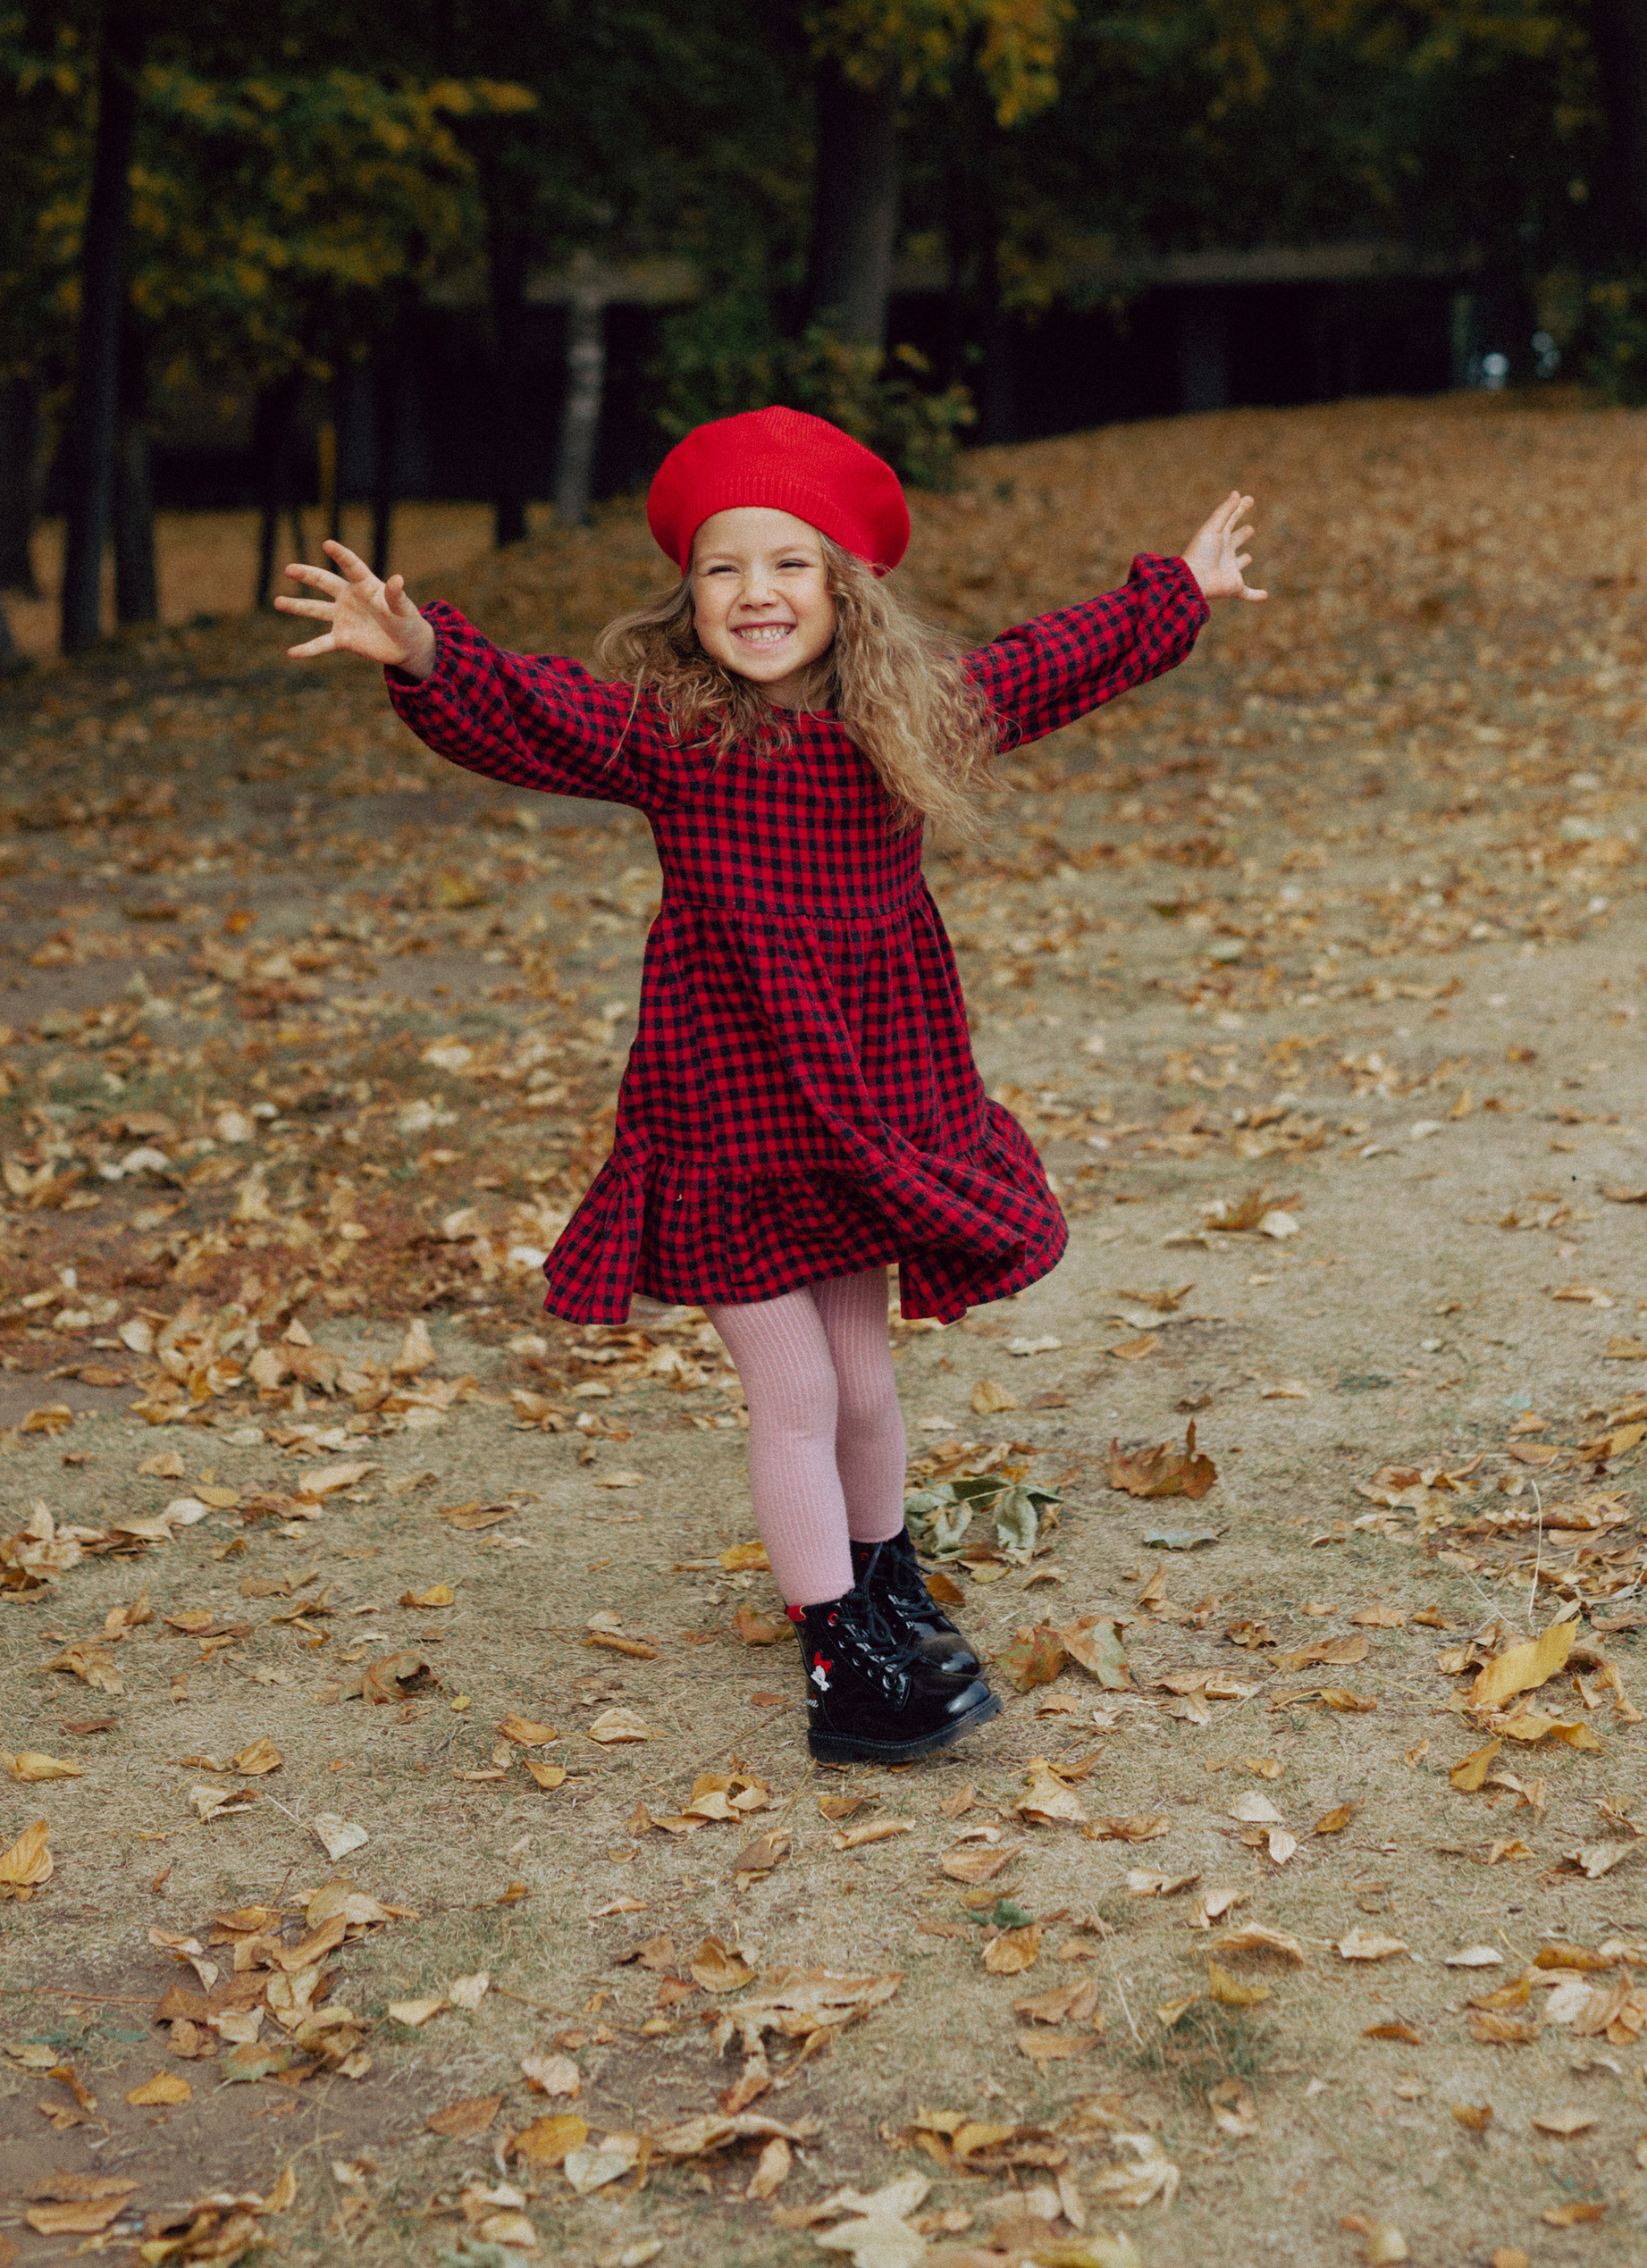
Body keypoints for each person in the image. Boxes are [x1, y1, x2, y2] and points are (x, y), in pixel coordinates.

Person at [276, 406, 1264, 1764]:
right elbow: (527, 710)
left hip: (870, 1101)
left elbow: (1054, 662)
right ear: (690, 602)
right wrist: (428, 652)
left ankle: (883, 1582)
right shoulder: (664, 733)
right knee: (794, 1388)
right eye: (726, 570)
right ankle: (841, 1667)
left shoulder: (904, 718)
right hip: (726, 1102)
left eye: (790, 565)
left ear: (845, 590)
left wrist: (1180, 592)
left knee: (863, 1381)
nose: (757, 594)